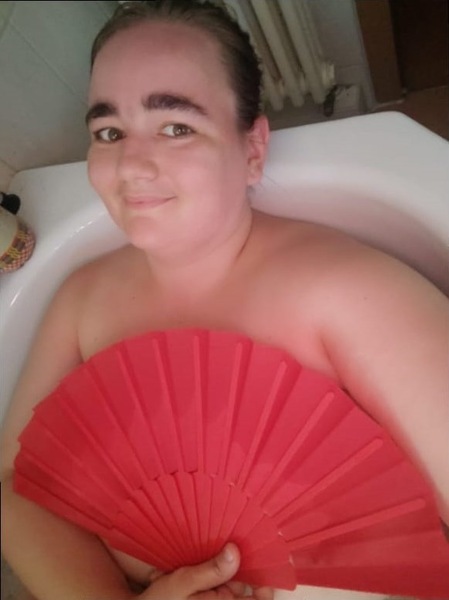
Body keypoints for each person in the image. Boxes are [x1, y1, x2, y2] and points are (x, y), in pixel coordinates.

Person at [1, 1, 448, 599]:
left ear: (253, 150)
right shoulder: (81, 299)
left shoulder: (346, 291)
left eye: (176, 127)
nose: (130, 165)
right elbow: (16, 483)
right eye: (109, 132)